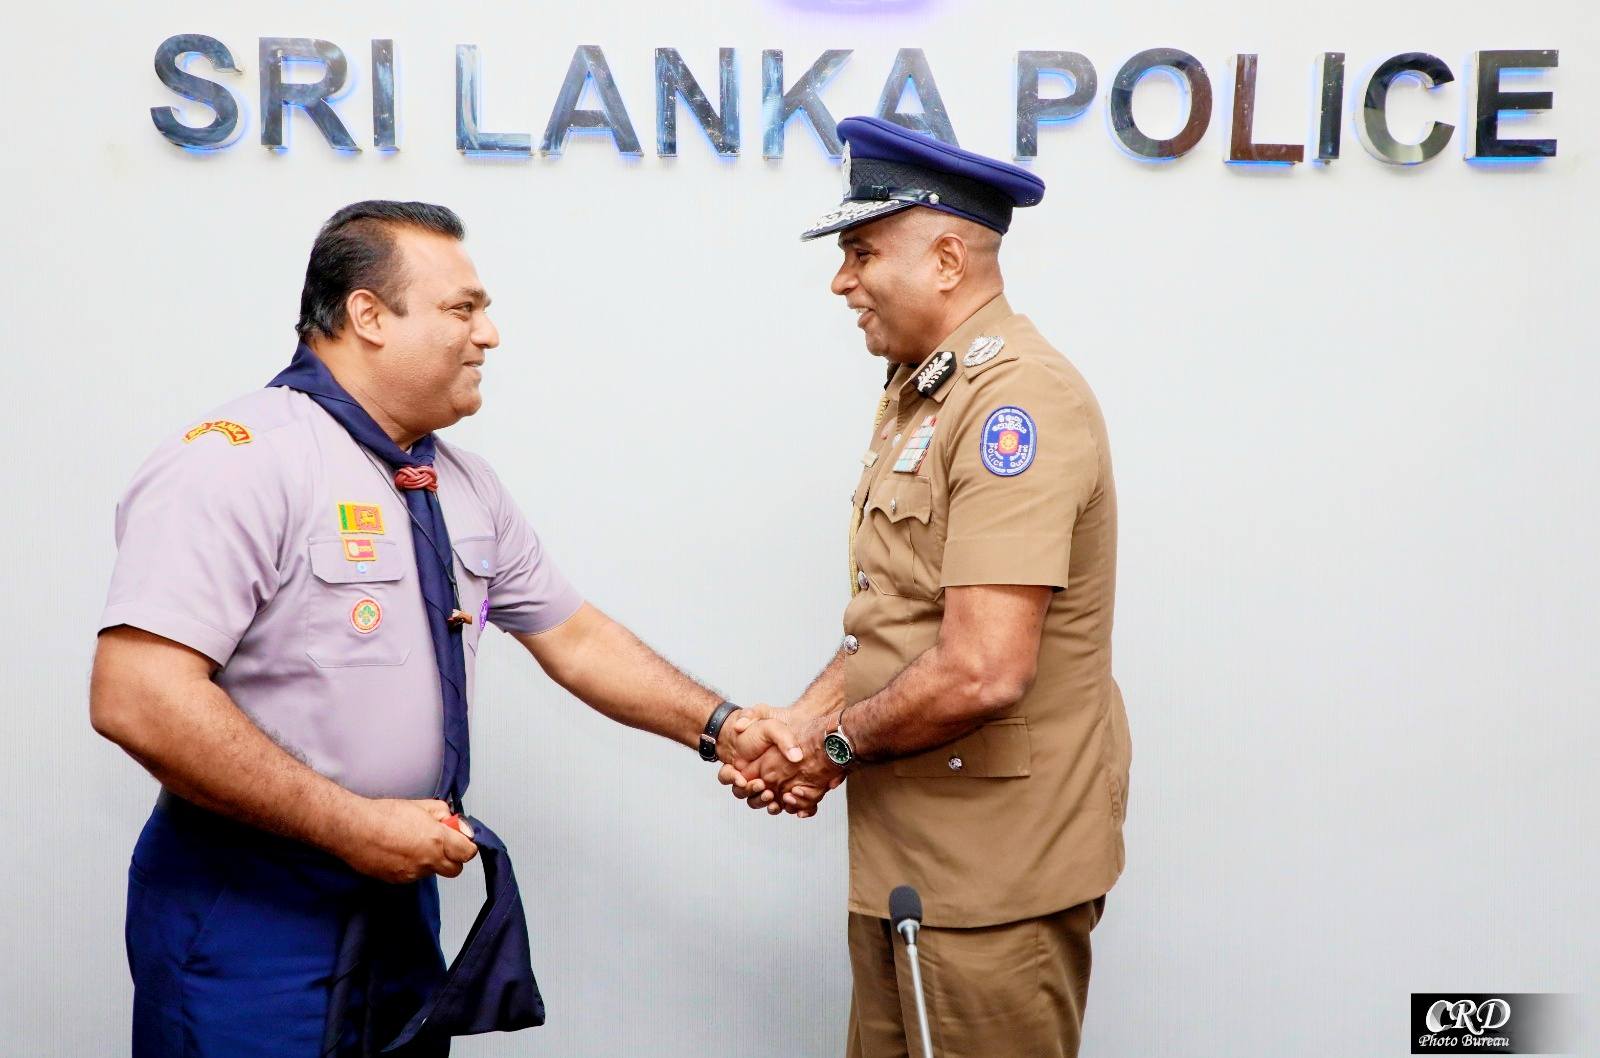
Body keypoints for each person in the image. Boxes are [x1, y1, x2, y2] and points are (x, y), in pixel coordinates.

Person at [89, 200, 794, 1057]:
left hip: (398, 905)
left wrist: (724, 727)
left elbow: (576, 639)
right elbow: (137, 697)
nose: (488, 334)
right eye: (463, 309)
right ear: (368, 315)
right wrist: (350, 825)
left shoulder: (460, 485)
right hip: (250, 912)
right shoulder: (237, 461)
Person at [721, 117, 1133, 1057]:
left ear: (947, 259)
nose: (841, 281)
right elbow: (900, 618)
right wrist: (799, 723)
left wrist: (826, 747)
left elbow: (983, 667)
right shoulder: (924, 392)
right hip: (911, 862)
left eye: (862, 252)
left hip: (990, 878)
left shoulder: (1015, 402)